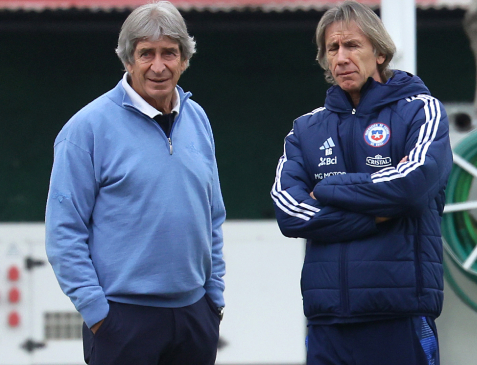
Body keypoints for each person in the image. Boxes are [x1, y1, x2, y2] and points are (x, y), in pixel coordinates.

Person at [271, 1, 452, 364]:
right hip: (328, 321)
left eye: (352, 45)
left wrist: (327, 189)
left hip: (399, 315)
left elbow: (411, 186)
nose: (341, 57)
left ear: (380, 52)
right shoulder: (306, 129)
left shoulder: (422, 111)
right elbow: (289, 211)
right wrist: (373, 216)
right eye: (332, 48)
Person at [45, 2, 226, 364]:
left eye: (169, 53)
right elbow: (64, 233)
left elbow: (213, 217)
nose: (158, 66)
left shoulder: (198, 119)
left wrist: (214, 299)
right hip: (122, 320)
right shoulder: (86, 130)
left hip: (194, 316)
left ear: (184, 59)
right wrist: (98, 315)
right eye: (146, 53)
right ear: (128, 60)